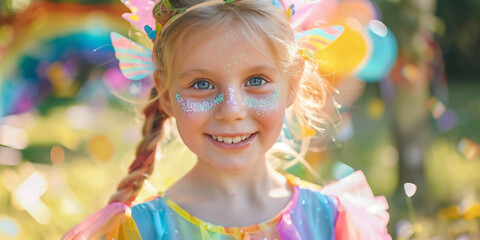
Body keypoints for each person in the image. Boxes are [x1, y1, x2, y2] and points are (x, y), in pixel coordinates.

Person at [63, 0, 391, 239]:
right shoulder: (141, 230)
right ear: (165, 93)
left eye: (257, 81)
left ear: (291, 83)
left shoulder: (332, 220)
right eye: (202, 85)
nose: (231, 110)